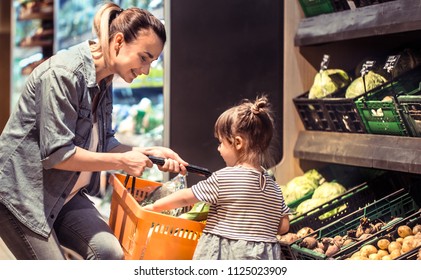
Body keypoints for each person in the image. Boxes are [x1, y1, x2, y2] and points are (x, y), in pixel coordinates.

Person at [0, 2, 188, 260]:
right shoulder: (63, 73)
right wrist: (123, 160)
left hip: (66, 193)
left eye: (152, 62)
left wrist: (147, 153)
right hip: (23, 197)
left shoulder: (105, 79)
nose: (145, 70)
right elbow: (57, 154)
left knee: (110, 254)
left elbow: (104, 142)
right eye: (144, 58)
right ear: (119, 41)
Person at [144, 96, 290, 260]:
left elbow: (186, 198)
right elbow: (284, 226)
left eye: (221, 142)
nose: (218, 148)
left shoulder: (224, 178)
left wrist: (155, 207)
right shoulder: (273, 186)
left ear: (238, 142)